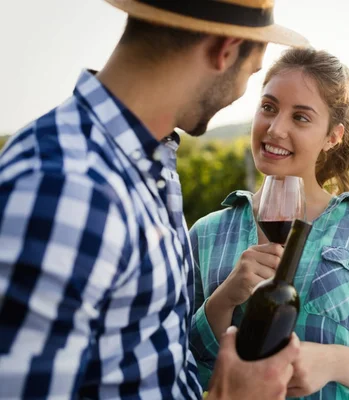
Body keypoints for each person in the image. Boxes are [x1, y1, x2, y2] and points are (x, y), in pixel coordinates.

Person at [0, 0, 309, 399]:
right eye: (251, 73)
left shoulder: (139, 162)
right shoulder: (68, 188)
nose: (239, 94)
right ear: (225, 49)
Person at [189, 48, 349, 399]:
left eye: (301, 118)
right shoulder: (206, 233)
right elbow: (173, 362)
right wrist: (223, 300)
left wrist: (334, 361)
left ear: (332, 136)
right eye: (269, 108)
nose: (275, 129)